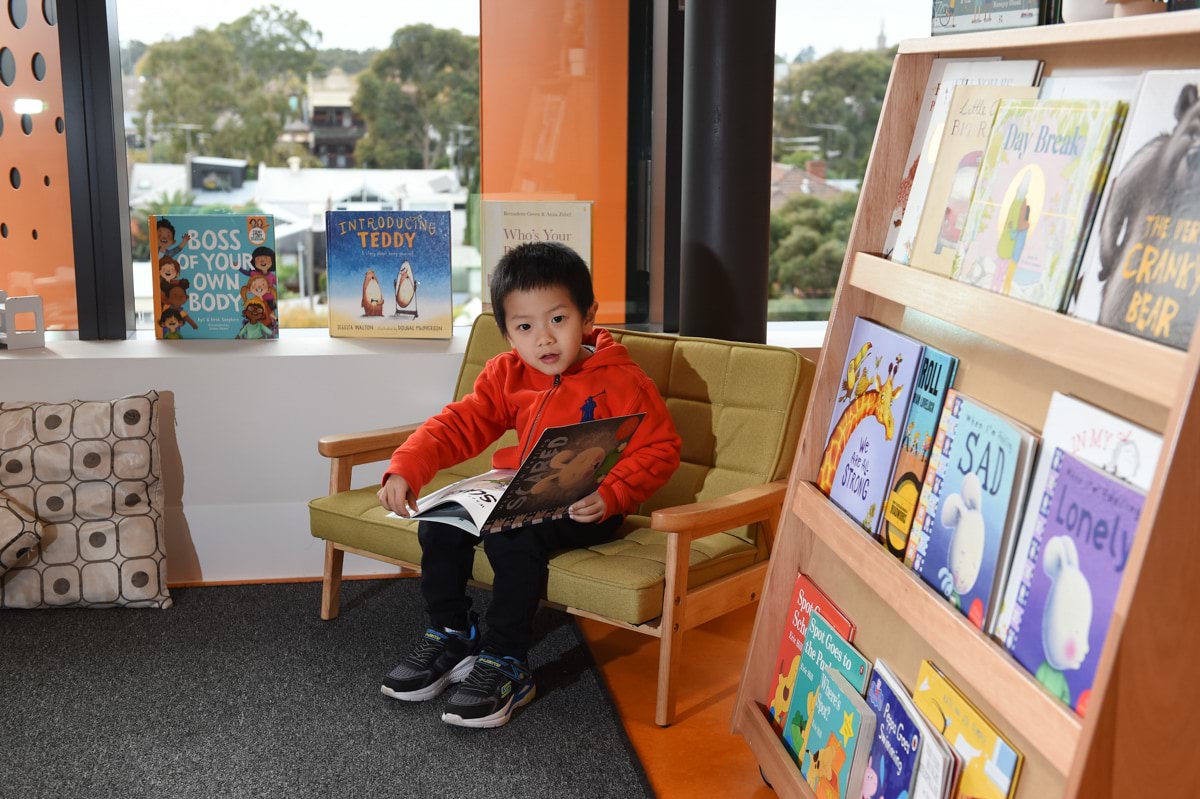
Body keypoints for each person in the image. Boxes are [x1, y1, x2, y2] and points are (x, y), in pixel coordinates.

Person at [377, 241, 681, 729]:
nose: (544, 339)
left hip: (587, 508)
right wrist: (407, 466)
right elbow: (459, 425)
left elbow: (661, 448)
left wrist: (613, 493)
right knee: (440, 525)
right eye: (525, 327)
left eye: (558, 320)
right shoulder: (506, 373)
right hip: (515, 490)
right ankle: (452, 633)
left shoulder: (623, 381)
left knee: (509, 534)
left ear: (587, 315)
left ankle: (505, 661)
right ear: (507, 334)